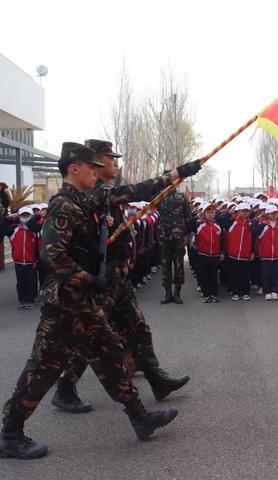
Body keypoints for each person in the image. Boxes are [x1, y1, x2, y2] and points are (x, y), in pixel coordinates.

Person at [0, 143, 178, 460]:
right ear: (74, 168)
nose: (95, 172)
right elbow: (53, 256)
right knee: (41, 369)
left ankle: (139, 417)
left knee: (110, 354)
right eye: (90, 167)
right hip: (66, 305)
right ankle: (10, 433)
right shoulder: (64, 205)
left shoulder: (82, 203)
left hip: (84, 303)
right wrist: (92, 279)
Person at [50, 139, 198, 413]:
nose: (115, 164)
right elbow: (138, 190)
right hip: (102, 279)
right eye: (111, 159)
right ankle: (65, 387)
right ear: (95, 161)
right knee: (92, 337)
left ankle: (156, 379)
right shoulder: (95, 192)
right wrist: (177, 173)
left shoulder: (104, 191)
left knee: (138, 328)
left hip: (118, 277)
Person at [157, 178, 192, 304]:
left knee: (178, 265)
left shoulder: (182, 197)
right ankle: (167, 293)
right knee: (165, 265)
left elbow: (188, 217)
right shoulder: (159, 197)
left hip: (178, 236)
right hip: (164, 236)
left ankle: (177, 293)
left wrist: (187, 234)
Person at [0, 206, 42, 309]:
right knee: (20, 283)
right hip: (18, 262)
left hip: (30, 261)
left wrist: (36, 260)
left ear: (31, 217)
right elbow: (1, 225)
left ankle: (29, 301)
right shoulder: (14, 230)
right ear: (19, 216)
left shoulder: (34, 230)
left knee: (30, 282)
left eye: (27, 215)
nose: (25, 217)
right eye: (23, 215)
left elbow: (37, 247)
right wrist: (9, 217)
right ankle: (22, 301)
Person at [252, 205, 278, 301]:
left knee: (277, 275)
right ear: (267, 214)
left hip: (277, 256)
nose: (274, 215)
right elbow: (253, 231)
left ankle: (275, 291)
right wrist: (260, 218)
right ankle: (267, 291)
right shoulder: (262, 226)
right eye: (272, 213)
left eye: (275, 213)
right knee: (266, 275)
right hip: (265, 256)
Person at [190, 203, 224, 303]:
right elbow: (191, 232)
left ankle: (214, 295)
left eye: (212, 213)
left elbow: (222, 241)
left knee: (214, 276)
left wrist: (222, 252)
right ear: (204, 213)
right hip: (202, 255)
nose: (210, 214)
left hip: (215, 255)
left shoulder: (218, 226)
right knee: (204, 275)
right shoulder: (199, 225)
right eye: (208, 212)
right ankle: (206, 294)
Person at [224, 202, 254, 301]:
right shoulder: (232, 222)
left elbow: (254, 239)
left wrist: (252, 252)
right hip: (233, 254)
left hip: (246, 254)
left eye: (246, 211)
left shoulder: (251, 224)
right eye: (242, 211)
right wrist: (230, 212)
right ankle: (235, 292)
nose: (245, 213)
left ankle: (245, 293)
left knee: (245, 275)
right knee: (234, 274)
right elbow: (222, 220)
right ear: (239, 212)